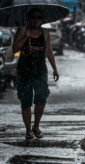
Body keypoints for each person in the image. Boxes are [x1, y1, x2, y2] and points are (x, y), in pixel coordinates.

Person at [12, 8, 60, 139]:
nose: (36, 20)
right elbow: (15, 48)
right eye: (33, 17)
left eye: (39, 17)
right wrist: (25, 37)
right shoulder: (22, 31)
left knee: (41, 100)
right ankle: (28, 130)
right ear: (29, 18)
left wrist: (55, 69)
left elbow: (49, 52)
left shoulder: (45, 33)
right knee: (26, 102)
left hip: (40, 71)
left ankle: (36, 126)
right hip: (24, 72)